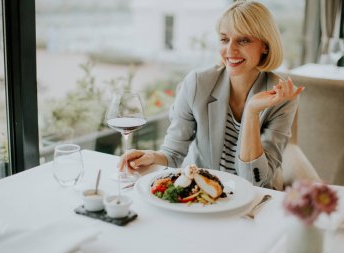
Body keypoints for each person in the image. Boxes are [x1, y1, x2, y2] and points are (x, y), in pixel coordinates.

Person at [119, 0, 304, 189]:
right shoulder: (197, 83)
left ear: (265, 46)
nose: (230, 50)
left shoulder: (281, 98)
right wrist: (151, 156)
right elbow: (173, 153)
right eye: (224, 39)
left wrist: (252, 112)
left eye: (244, 40)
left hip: (255, 200)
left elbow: (255, 180)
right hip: (202, 194)